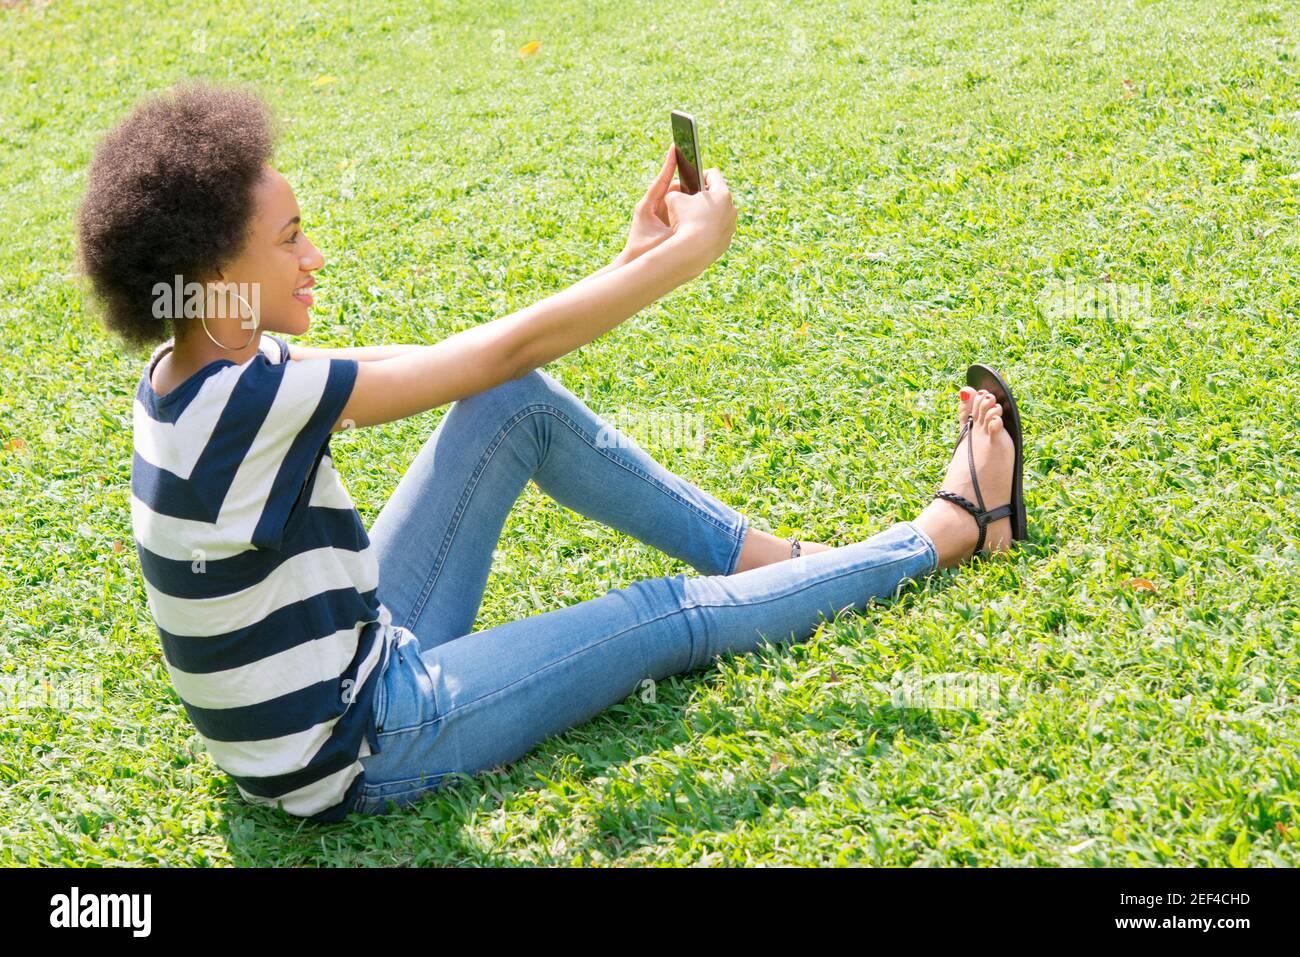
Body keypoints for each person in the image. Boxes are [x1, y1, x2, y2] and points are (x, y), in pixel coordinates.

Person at [77, 81, 1023, 821]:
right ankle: (949, 531)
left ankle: (770, 561)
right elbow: (499, 347)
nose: (313, 256)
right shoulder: (248, 400)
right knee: (664, 618)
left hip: (356, 657)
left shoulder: (194, 362)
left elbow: (470, 368)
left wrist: (628, 259)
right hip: (361, 744)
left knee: (508, 403)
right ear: (213, 276)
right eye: (290, 240)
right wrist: (682, 261)